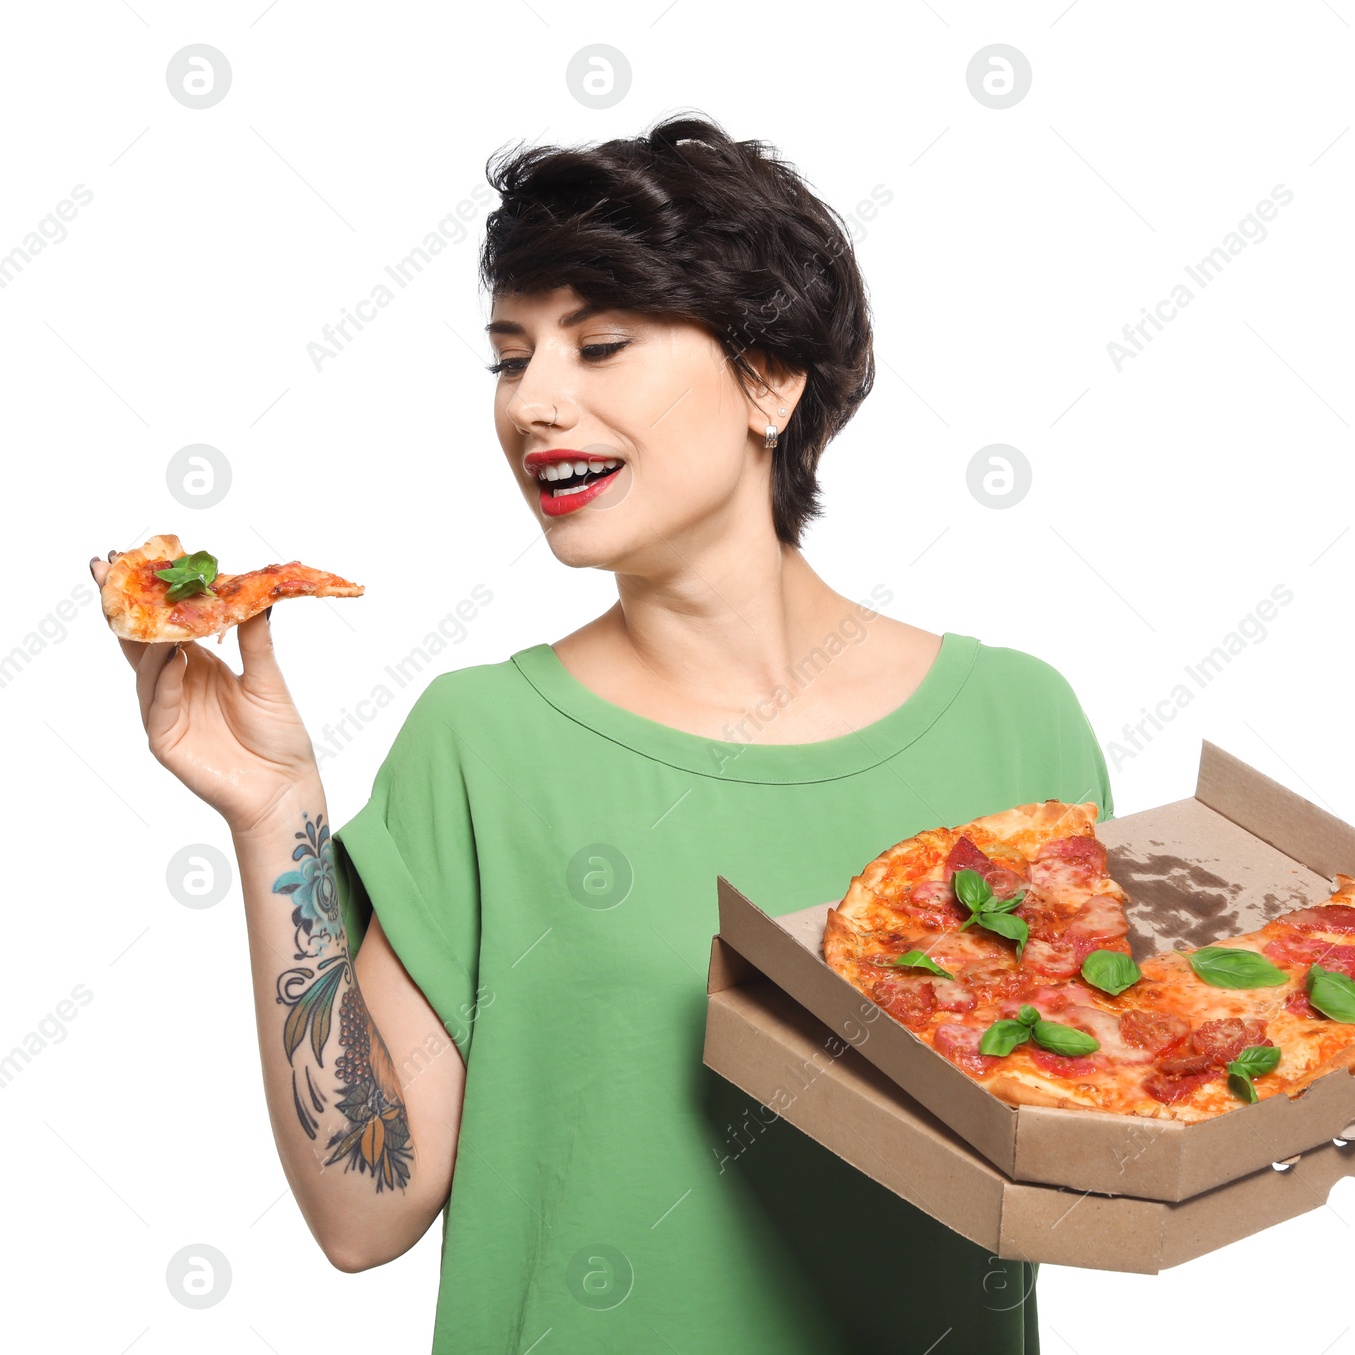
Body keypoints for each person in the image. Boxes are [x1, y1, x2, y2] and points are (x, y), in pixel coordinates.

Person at [90, 112, 1113, 1354]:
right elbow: (364, 1204)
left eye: (603, 344)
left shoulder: (1018, 727)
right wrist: (276, 819)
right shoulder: (484, 740)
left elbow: (1086, 1115)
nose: (536, 403)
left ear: (769, 377)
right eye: (510, 358)